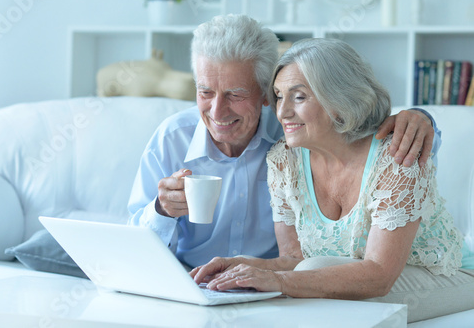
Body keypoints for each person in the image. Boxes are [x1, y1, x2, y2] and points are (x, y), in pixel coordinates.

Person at [190, 38, 474, 322]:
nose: (282, 111)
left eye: (298, 97)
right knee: (307, 273)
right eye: (279, 96)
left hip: (451, 275)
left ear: (339, 99)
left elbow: (379, 275)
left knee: (309, 275)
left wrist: (280, 281)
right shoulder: (283, 161)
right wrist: (247, 266)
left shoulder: (395, 156)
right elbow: (294, 260)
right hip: (354, 271)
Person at [128, 14, 440, 270]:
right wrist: (160, 210)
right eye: (205, 92)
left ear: (266, 93)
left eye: (235, 95)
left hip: (271, 282)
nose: (217, 110)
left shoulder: (295, 130)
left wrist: (421, 117)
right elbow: (132, 246)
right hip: (188, 279)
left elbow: (380, 147)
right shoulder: (171, 138)